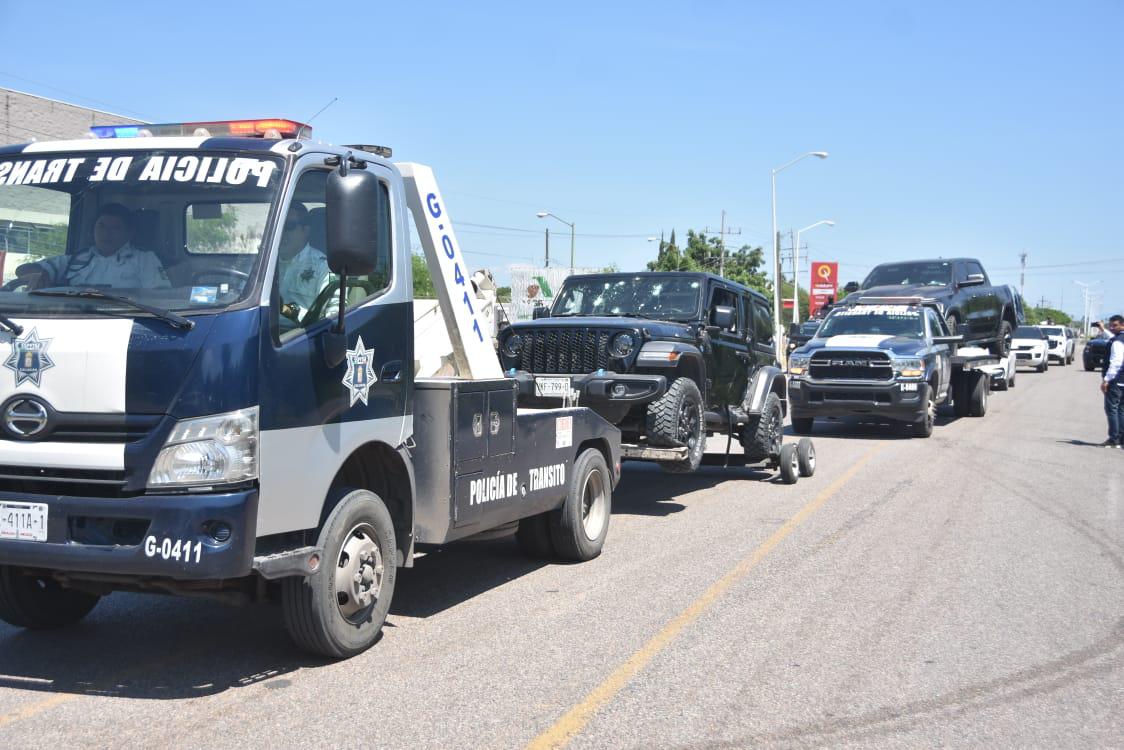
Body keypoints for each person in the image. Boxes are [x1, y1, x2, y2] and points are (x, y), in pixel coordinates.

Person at [17, 203, 169, 289]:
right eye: (101, 226)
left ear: (129, 233)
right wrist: (39, 274)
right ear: (93, 229)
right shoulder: (75, 260)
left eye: (115, 228)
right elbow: (23, 270)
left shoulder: (145, 259)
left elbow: (160, 298)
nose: (106, 233)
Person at [277, 203, 332, 322]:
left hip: (299, 336)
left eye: (289, 226)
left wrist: (289, 310)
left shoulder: (324, 267)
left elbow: (332, 316)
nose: (281, 233)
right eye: (278, 227)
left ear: (305, 230)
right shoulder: (265, 265)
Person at [1100, 314, 1124, 448]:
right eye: (1111, 325)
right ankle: (1121, 439)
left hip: (1116, 380)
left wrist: (1106, 380)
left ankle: (1114, 439)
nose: (1112, 327)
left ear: (1122, 325)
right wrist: (1104, 330)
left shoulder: (1118, 341)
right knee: (1121, 410)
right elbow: (1113, 338)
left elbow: (1116, 362)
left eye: (1115, 325)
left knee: (1112, 409)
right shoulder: (1118, 339)